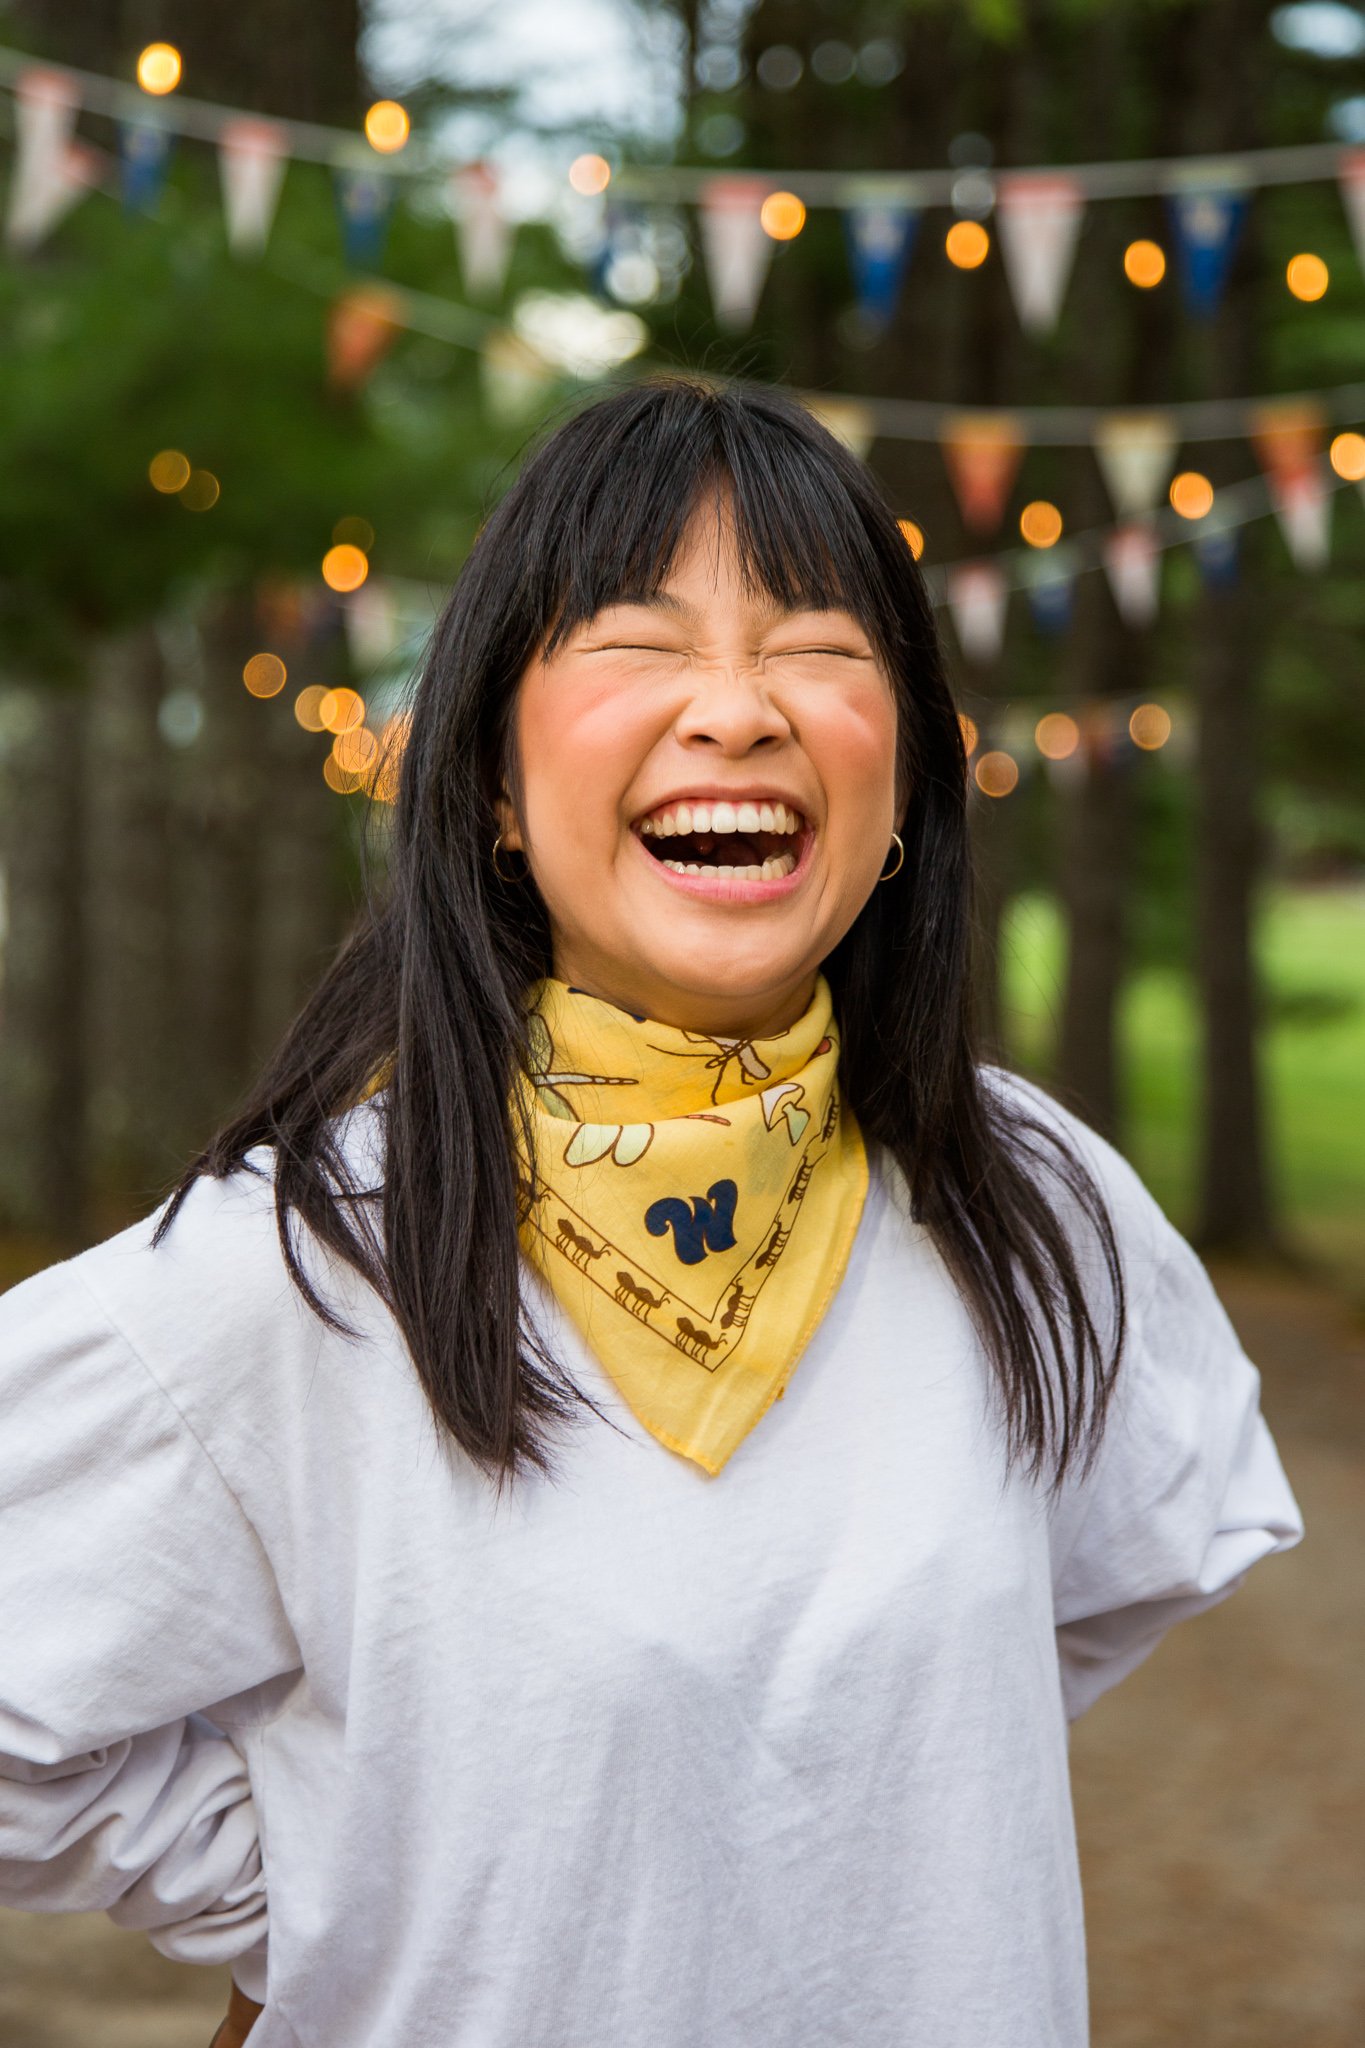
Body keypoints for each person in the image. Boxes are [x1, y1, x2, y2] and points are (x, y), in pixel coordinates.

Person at [0, 380, 1301, 2048]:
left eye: (820, 644)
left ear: (901, 784)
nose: (738, 710)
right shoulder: (308, 1267)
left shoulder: (1024, 1197)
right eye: (637, 640)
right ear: (484, 776)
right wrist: (316, 1875)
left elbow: (1109, 1575)